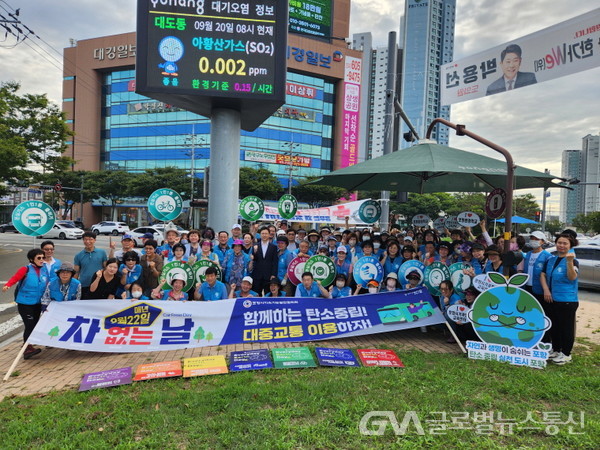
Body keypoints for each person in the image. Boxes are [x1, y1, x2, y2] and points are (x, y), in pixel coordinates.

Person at [540, 233, 579, 365]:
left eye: (565, 243)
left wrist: (569, 262)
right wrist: (546, 289)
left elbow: (572, 277)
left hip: (567, 300)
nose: (561, 245)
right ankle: (556, 350)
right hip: (552, 299)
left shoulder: (573, 261)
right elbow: (543, 275)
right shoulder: (551, 259)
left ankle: (566, 354)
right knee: (554, 327)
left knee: (566, 328)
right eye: (559, 243)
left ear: (570, 245)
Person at [2, 249, 48, 359]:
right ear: (32, 259)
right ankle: (26, 349)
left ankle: (29, 346)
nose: (42, 260)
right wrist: (8, 285)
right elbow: (15, 277)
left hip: (37, 302)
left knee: (34, 324)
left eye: (43, 257)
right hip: (25, 302)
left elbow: (49, 282)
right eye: (39, 258)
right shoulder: (26, 269)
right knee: (29, 325)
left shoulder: (44, 270)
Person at [74, 231, 108, 299]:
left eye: (90, 239)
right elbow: (76, 272)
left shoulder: (102, 252)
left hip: (99, 284)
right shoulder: (78, 255)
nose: (88, 241)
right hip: (84, 285)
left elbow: (106, 268)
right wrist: (74, 285)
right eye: (85, 239)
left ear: (95, 240)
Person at [251, 226, 279, 296]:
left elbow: (274, 261)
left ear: (269, 234)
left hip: (268, 275)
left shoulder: (273, 247)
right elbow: (254, 259)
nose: (264, 235)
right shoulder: (255, 246)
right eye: (262, 233)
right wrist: (255, 251)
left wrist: (273, 274)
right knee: (256, 294)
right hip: (257, 274)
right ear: (260, 234)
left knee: (268, 294)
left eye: (266, 233)